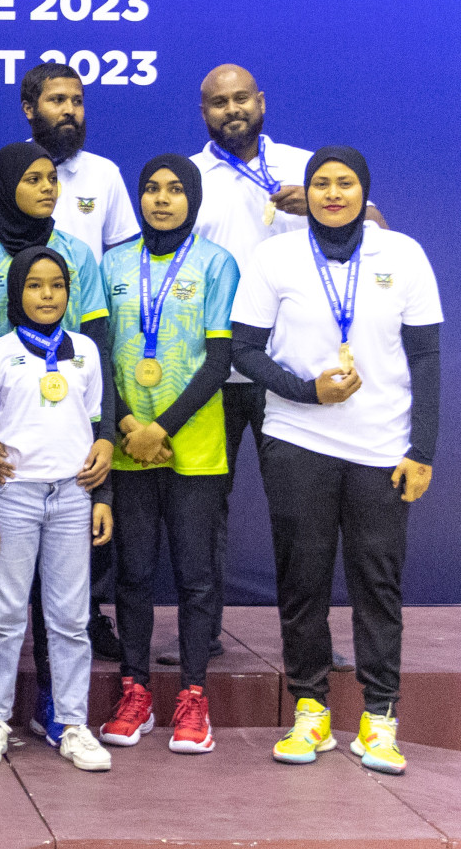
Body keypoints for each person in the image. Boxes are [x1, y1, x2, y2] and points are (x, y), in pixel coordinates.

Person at [231, 147, 439, 775]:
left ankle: (380, 719)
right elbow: (243, 348)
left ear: (363, 191)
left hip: (381, 448)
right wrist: (306, 391)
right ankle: (311, 711)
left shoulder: (401, 254)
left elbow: (426, 358)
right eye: (320, 183)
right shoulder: (276, 257)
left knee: (378, 584)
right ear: (308, 192)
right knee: (303, 582)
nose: (332, 194)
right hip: (298, 438)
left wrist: (421, 450)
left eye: (345, 183)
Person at [182, 63, 385, 670]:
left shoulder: (307, 167)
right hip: (213, 370)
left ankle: (313, 643)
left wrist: (323, 206)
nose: (232, 109)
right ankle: (202, 636)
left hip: (292, 378)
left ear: (262, 102)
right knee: (205, 512)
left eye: (242, 98)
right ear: (204, 114)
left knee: (306, 519)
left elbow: (378, 227)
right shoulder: (189, 179)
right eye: (219, 103)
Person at [0, 142, 114, 748]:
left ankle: (60, 706)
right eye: (33, 178)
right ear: (3, 186)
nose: (49, 187)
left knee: (67, 608)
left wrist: (104, 446)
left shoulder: (77, 253)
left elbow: (97, 376)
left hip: (67, 471)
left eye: (53, 177)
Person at [95, 156, 239, 754]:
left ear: (193, 199)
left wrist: (162, 428)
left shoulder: (216, 264)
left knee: (196, 576)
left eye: (175, 190)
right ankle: (135, 689)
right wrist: (129, 423)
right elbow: (100, 351)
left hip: (193, 445)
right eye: (151, 189)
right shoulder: (113, 263)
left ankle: (194, 696)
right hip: (128, 444)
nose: (161, 200)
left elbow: (221, 360)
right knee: (132, 574)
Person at [0, 63, 139, 263]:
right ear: (29, 109)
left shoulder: (105, 172)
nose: (70, 110)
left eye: (77, 101)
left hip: (85, 291)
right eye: (58, 100)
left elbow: (119, 261)